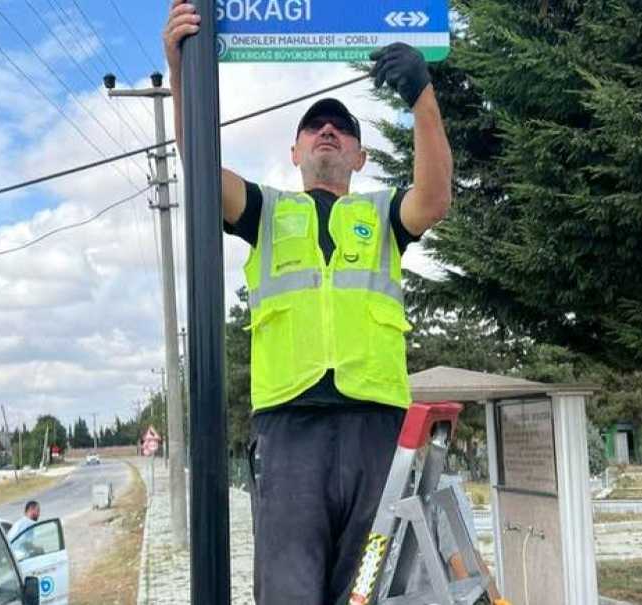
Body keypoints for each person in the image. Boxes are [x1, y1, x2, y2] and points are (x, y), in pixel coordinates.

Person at [164, 1, 452, 602]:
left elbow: (435, 198)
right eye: (315, 126)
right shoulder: (267, 210)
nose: (329, 130)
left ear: (359, 156)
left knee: (372, 593)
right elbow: (200, 170)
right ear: (295, 152)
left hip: (376, 429)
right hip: (289, 431)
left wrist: (423, 97)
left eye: (343, 127)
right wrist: (180, 67)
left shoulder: (381, 213)